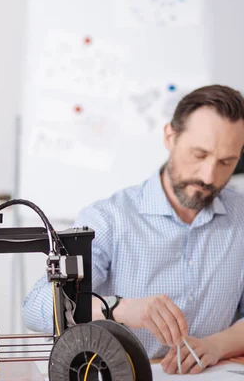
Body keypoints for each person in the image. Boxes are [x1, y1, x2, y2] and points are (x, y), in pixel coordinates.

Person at [22, 85, 244, 375]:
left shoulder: (240, 217)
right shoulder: (109, 218)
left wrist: (217, 345)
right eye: (199, 155)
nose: (209, 176)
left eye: (226, 162)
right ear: (170, 136)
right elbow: (35, 307)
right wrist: (119, 309)